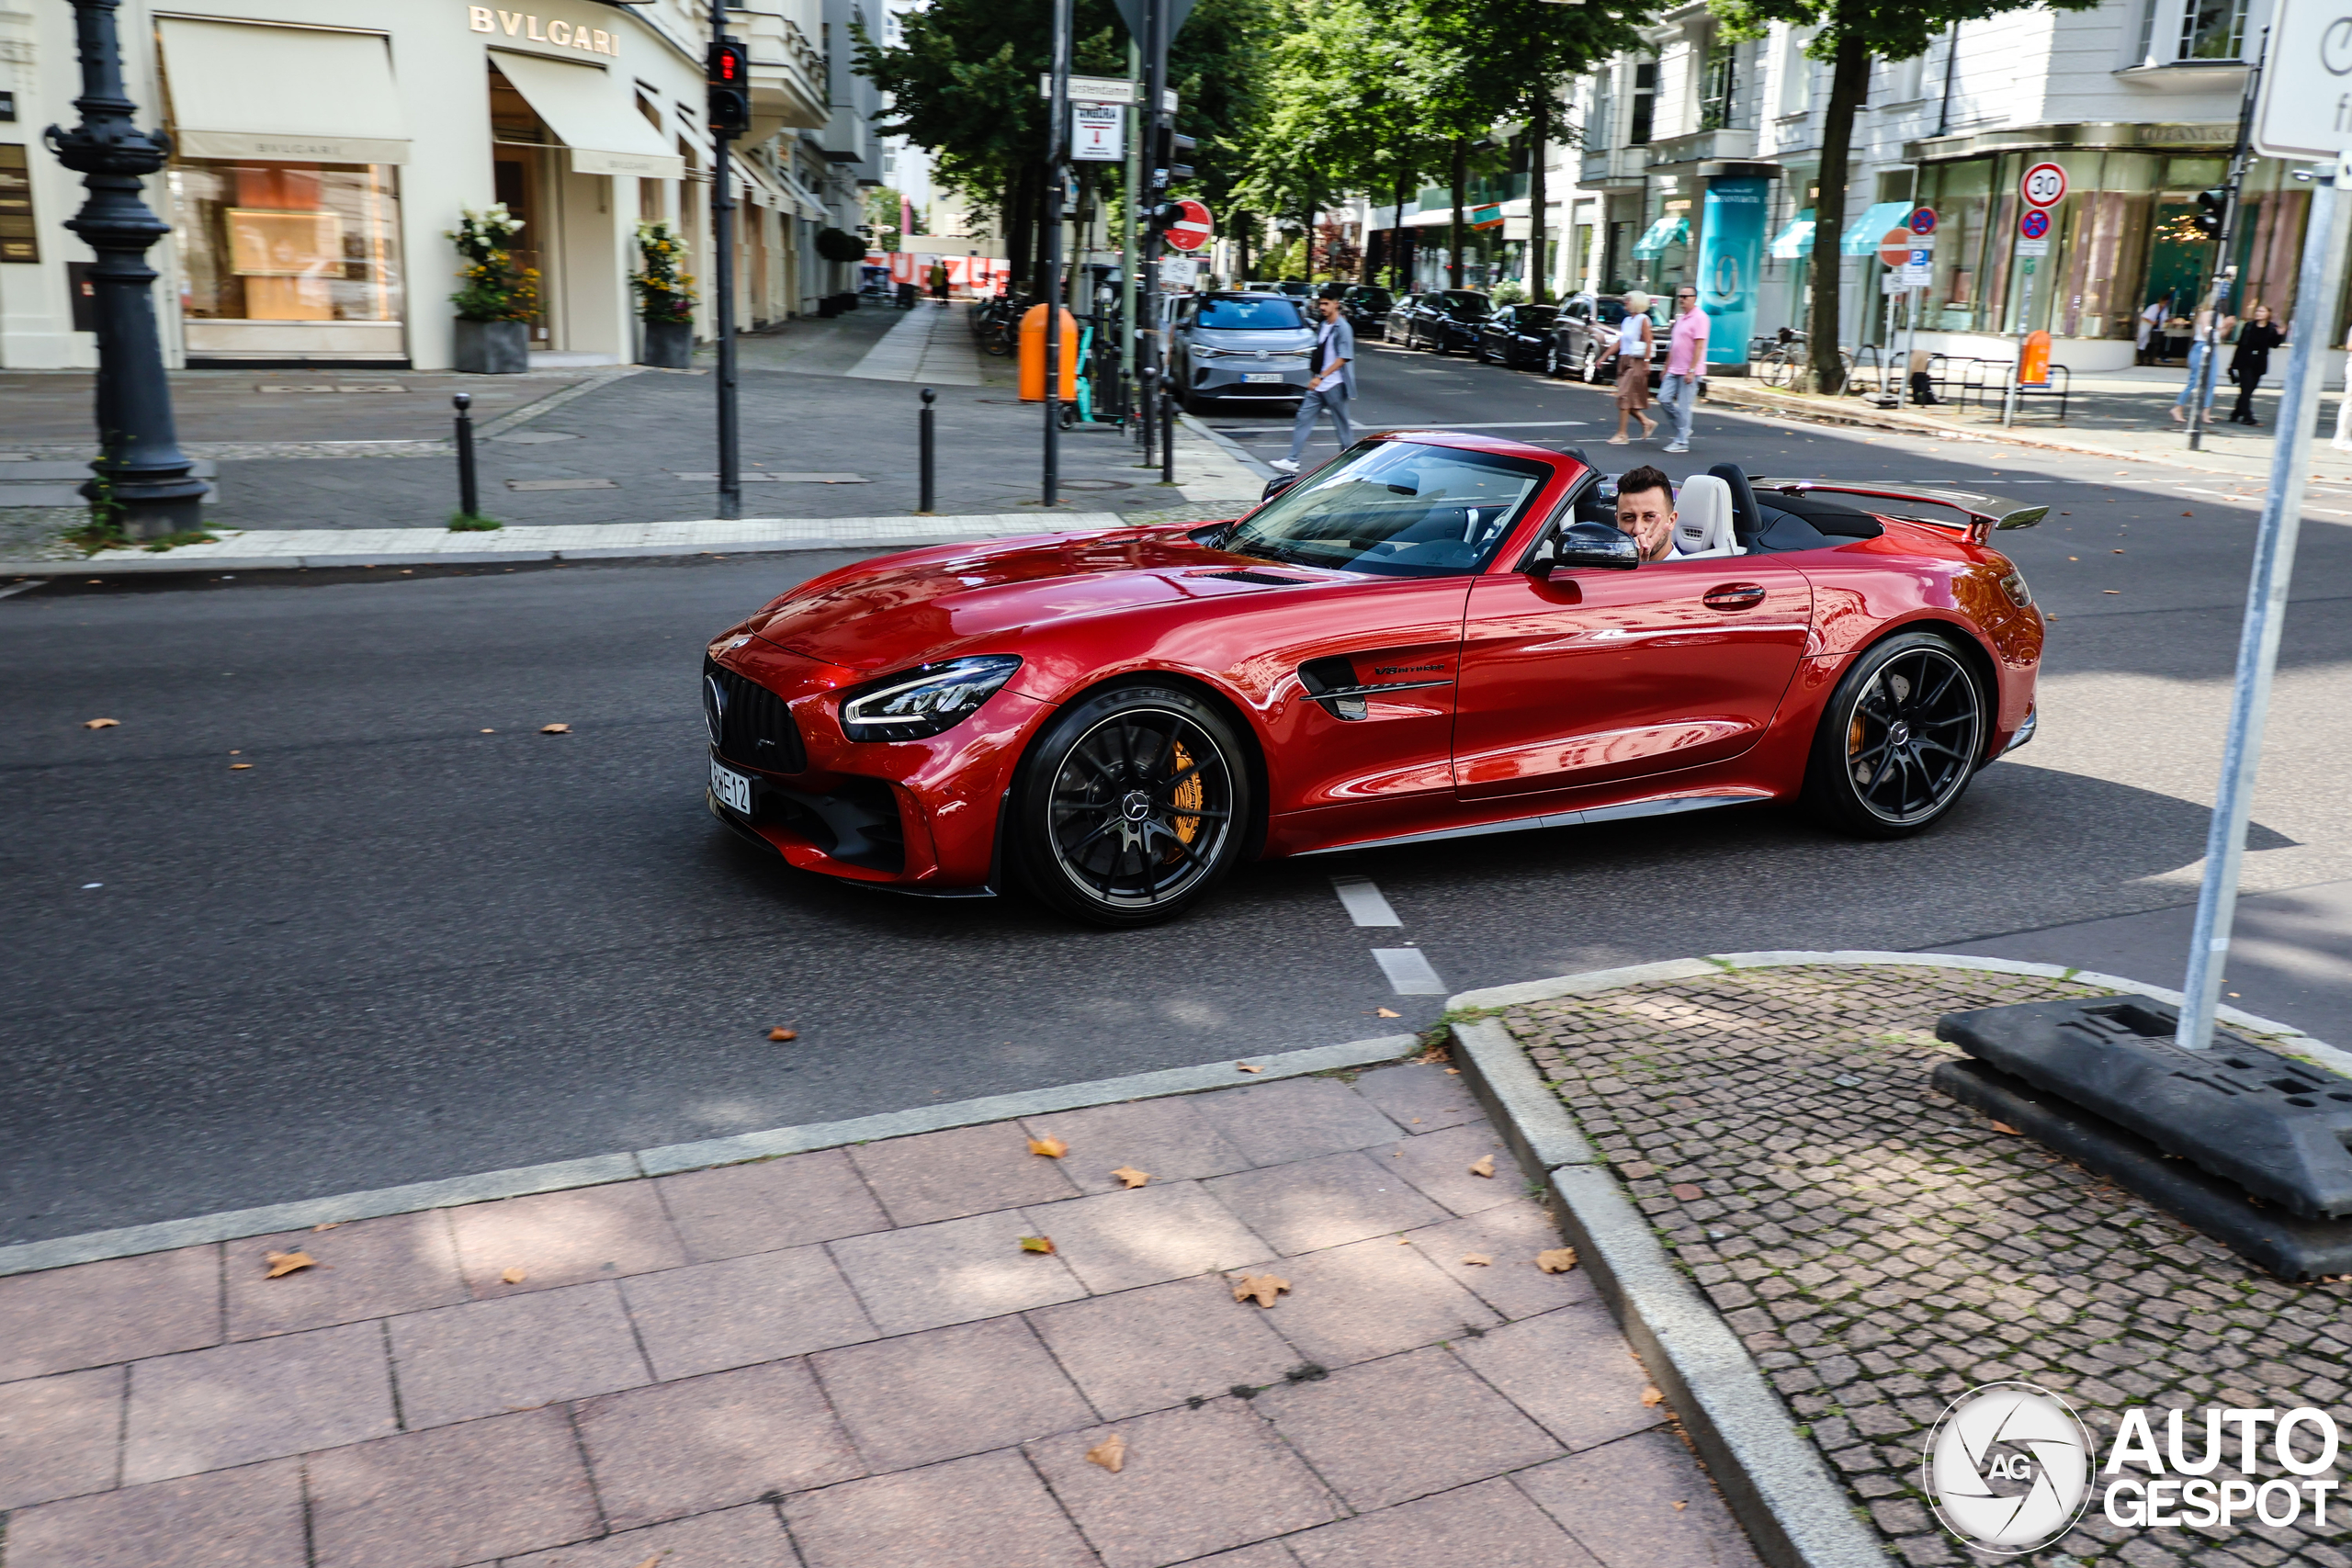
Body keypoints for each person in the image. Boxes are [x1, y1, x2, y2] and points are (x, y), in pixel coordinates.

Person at [1271, 287, 1355, 475]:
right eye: (1321, 304)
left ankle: (1351, 463)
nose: (1322, 307)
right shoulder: (1324, 325)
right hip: (1319, 385)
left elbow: (1343, 358)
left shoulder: (1343, 328)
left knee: (1342, 426)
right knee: (1303, 417)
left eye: (1326, 304)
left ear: (1336, 304)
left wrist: (1321, 376)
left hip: (1334, 384)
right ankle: (1292, 460)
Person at [1600, 290, 1657, 446]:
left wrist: (1647, 361)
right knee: (1625, 399)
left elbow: (1649, 341)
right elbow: (1620, 342)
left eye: (1628, 300)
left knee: (1624, 397)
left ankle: (1622, 434)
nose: (1625, 302)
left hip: (1636, 361)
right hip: (1624, 360)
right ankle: (1646, 422)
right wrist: (1604, 356)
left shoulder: (1643, 319)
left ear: (1636, 302)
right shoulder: (1627, 321)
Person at [1657, 286, 1707, 455]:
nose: (1682, 299)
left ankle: (1681, 441)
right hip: (1674, 368)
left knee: (1684, 406)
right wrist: (1666, 367)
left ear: (1694, 298)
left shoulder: (1700, 318)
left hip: (1689, 370)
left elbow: (1699, 346)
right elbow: (1674, 346)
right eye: (1680, 296)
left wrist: (1692, 370)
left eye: (1686, 296)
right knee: (1663, 398)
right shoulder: (1680, 319)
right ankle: (1683, 428)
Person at [2171, 303, 2235, 423]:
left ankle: (2206, 413)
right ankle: (2177, 408)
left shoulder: (2219, 315)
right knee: (2194, 382)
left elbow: (2220, 335)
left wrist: (2228, 327)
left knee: (2211, 383)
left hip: (2213, 348)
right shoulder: (2205, 314)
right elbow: (2206, 331)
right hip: (2201, 347)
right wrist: (2224, 324)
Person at [2226, 303, 2285, 426]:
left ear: (2268, 314)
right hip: (2245, 361)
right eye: (2258, 311)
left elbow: (2274, 345)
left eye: (2262, 311)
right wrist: (2233, 364)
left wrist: (2280, 334)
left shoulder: (2271, 328)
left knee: (2248, 390)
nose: (2259, 313)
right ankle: (2248, 417)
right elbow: (2241, 345)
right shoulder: (2249, 326)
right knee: (2246, 389)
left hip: (2259, 362)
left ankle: (2236, 413)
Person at [1612, 465, 1680, 562]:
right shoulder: (1605, 565)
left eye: (1649, 516)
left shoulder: (1686, 575)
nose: (1638, 530)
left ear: (1671, 521)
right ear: (1617, 520)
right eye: (1628, 518)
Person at [2136, 297, 2168, 365]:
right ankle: (2140, 359)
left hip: (2155, 328)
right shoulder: (2153, 307)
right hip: (2146, 327)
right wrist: (2152, 322)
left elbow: (2164, 319)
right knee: (2142, 341)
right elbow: (2144, 317)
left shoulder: (2165, 309)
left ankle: (2150, 360)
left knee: (2152, 343)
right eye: (2165, 302)